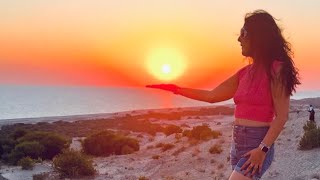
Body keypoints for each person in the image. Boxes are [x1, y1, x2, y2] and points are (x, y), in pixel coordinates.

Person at [146, 9, 300, 180]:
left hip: (257, 145)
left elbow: (282, 116)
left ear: (258, 36)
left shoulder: (277, 70)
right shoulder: (244, 73)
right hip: (237, 144)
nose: (239, 39)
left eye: (243, 33)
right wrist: (176, 89)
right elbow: (212, 96)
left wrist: (262, 150)